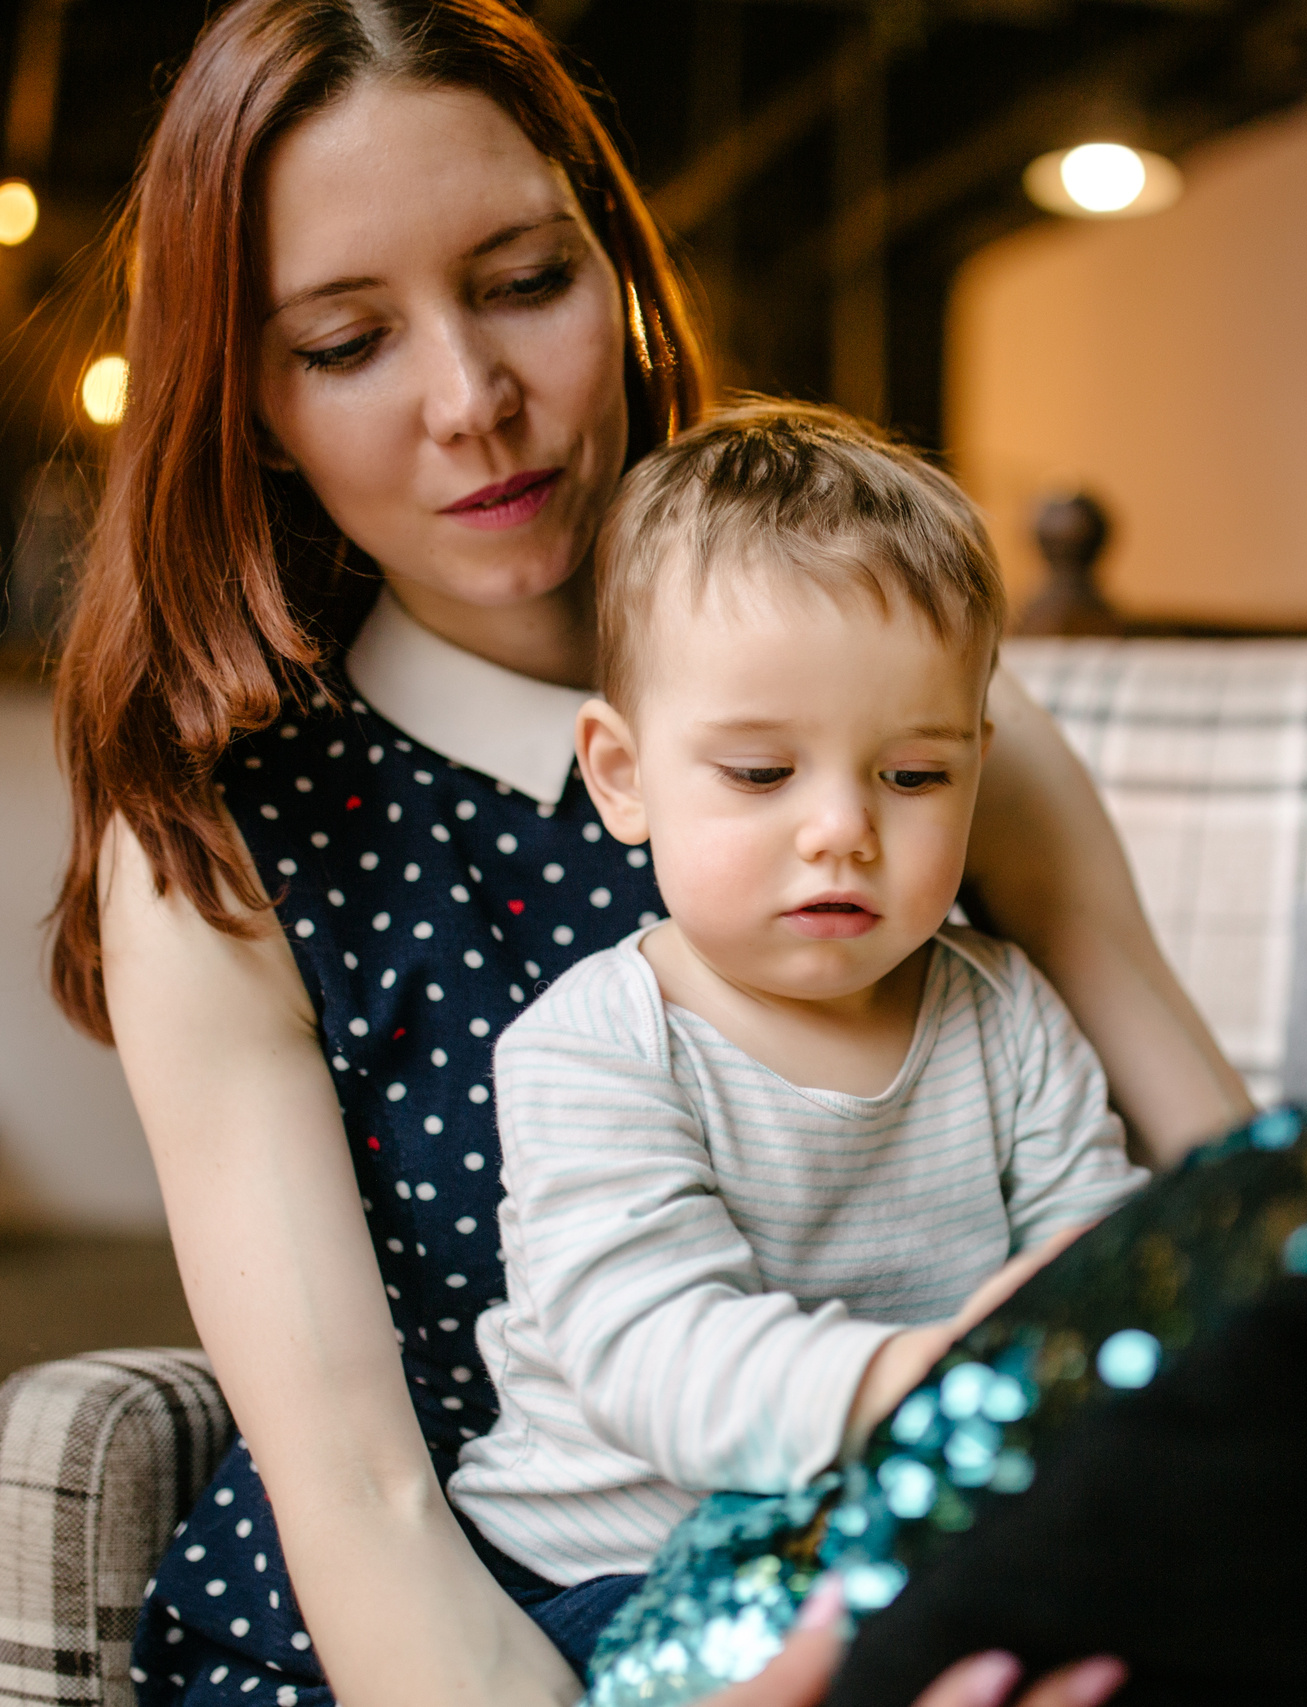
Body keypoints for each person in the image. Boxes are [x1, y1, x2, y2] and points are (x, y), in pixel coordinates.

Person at [44, 3, 1307, 1705]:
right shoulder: (219, 844)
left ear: (619, 273)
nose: (474, 397)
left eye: (524, 282)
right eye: (345, 343)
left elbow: (1221, 1202)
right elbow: (362, 1495)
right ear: (248, 398)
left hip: (932, 1573)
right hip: (485, 1628)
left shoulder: (931, 727)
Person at [447, 404, 1148, 1634]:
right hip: (609, 1573)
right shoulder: (596, 1046)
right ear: (623, 775)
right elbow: (655, 1352)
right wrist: (915, 1380)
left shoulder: (1006, 1017)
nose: (843, 828)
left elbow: (1098, 1260)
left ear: (976, 769)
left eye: (914, 775)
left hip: (900, 1543)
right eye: (763, 774)